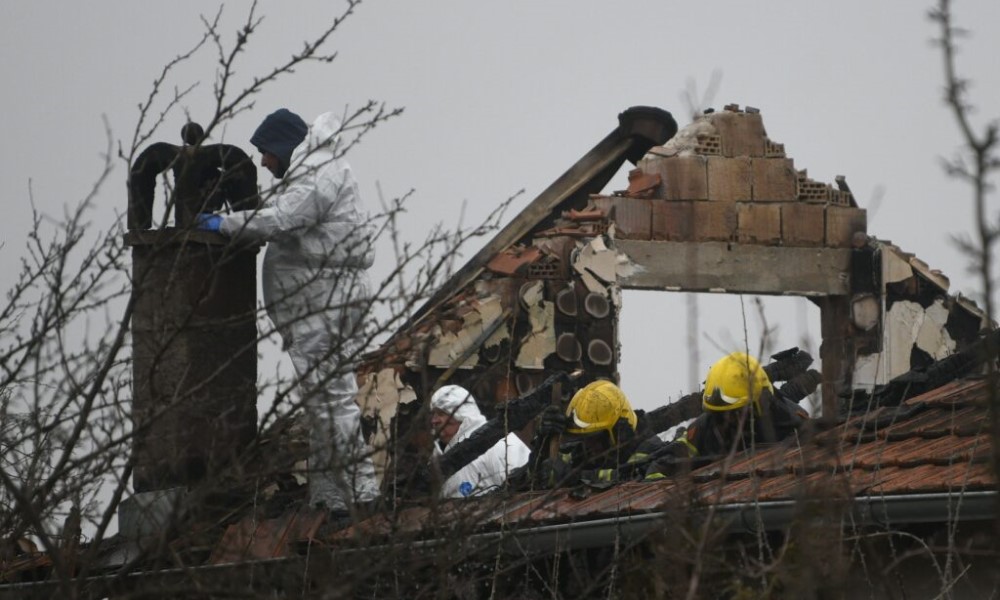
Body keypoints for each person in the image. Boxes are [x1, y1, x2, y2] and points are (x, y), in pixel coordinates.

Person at [196, 108, 378, 516]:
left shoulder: (317, 172)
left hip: (324, 305)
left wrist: (225, 224)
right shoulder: (315, 169)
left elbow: (282, 219)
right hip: (319, 304)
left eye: (265, 152)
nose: (263, 161)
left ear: (281, 145)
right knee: (322, 406)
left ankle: (361, 496)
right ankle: (331, 498)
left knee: (332, 403)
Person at [644, 352, 815, 480]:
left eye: (736, 413)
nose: (726, 421)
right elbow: (666, 461)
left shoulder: (794, 423)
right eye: (719, 414)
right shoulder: (704, 427)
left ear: (760, 403)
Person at [526, 380, 664, 488]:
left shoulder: (651, 451)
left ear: (618, 431)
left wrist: (571, 477)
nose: (589, 446)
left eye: (595, 438)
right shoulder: (579, 453)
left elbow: (631, 479)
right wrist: (542, 445)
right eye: (584, 439)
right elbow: (525, 481)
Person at [430, 385, 531, 497]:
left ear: (461, 413)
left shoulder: (498, 443)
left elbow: (526, 487)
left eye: (441, 414)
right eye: (433, 414)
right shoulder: (437, 454)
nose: (434, 421)